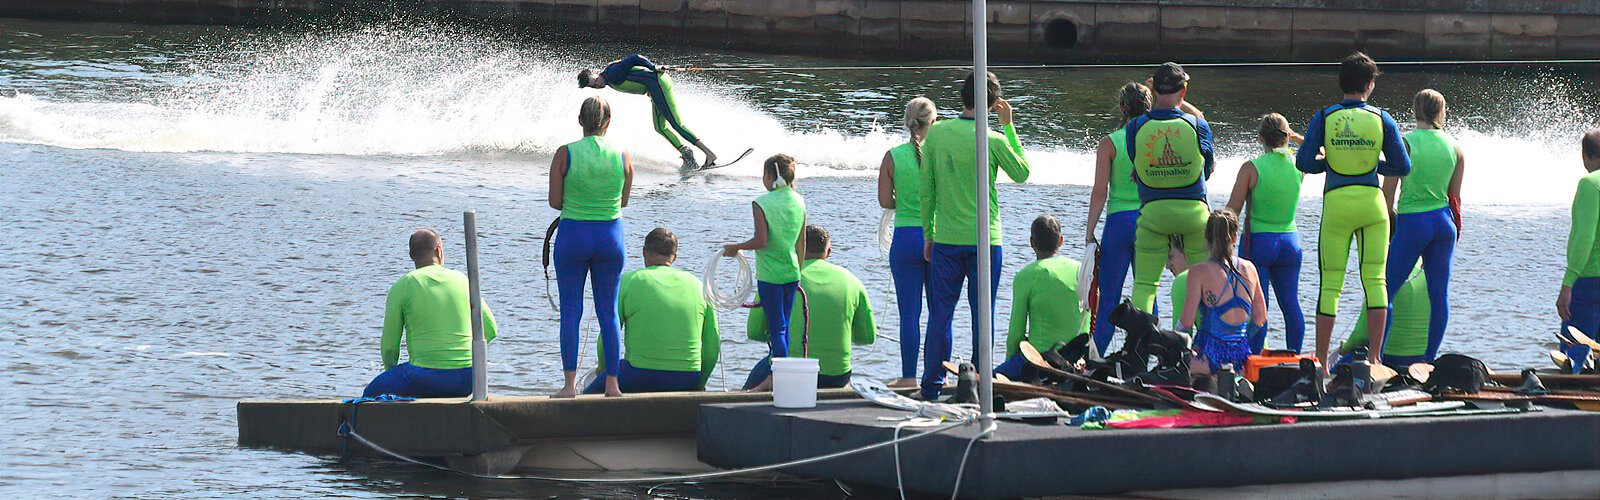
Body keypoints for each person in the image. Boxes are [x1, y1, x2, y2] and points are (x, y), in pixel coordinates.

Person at [918, 71, 1031, 400]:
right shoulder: (993, 138)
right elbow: (1022, 173)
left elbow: (928, 190)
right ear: (995, 104)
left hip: (947, 238)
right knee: (984, 314)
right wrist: (1009, 125)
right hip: (986, 239)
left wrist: (929, 233)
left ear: (962, 97)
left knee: (941, 314)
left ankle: (932, 385)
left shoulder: (936, 134)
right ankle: (982, 385)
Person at [1296, 52, 1411, 369]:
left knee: (1330, 284)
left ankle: (1320, 361)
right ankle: (1375, 360)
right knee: (1376, 281)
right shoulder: (1382, 118)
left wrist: (1330, 162)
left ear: (1341, 83)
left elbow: (1303, 162)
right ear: (1370, 85)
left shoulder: (1324, 116)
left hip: (1337, 203)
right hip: (1372, 204)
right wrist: (1373, 163)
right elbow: (1403, 166)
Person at [550, 97, 634, 398]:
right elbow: (623, 201)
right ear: (608, 122)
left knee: (571, 312)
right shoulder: (623, 154)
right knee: (609, 313)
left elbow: (555, 202)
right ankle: (612, 385)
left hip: (573, 235)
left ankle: (570, 386)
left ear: (580, 121)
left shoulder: (565, 153)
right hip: (610, 237)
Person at [364, 229, 497, 398]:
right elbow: (491, 329)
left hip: (423, 377)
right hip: (468, 378)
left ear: (411, 255)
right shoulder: (462, 280)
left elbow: (390, 348)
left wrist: (392, 374)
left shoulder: (403, 285)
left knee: (369, 395)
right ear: (439, 250)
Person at [1125, 62, 1213, 318]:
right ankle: (1199, 344)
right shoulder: (1197, 125)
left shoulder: (1134, 127)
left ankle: (1139, 347)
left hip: (1153, 214)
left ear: (1154, 91)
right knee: (1201, 282)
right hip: (1194, 214)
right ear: (1183, 91)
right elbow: (1207, 169)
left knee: (1144, 285)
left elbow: (1137, 165)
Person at [583, 228, 719, 394]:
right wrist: (699, 382)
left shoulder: (628, 281)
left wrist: (604, 372)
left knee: (584, 399)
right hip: (688, 377)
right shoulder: (699, 286)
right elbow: (712, 348)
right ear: (674, 257)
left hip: (639, 375)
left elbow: (607, 337)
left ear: (644, 252)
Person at [1383, 89, 1465, 362]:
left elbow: (1387, 195)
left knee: (1386, 291)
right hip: (1444, 225)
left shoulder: (1404, 144)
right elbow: (1455, 198)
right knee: (1438, 294)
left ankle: (1377, 357)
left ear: (1415, 110)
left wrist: (1386, 231)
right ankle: (1428, 360)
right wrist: (1456, 232)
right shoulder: (1456, 148)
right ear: (1442, 112)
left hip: (1413, 223)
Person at [745, 226, 876, 389]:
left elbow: (754, 332)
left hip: (789, 372)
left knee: (747, 390)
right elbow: (867, 337)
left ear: (795, 248)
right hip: (836, 377)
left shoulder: (777, 279)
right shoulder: (852, 281)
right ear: (828, 252)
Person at [724, 154, 807, 392]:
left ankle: (777, 375)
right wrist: (799, 269)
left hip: (770, 275)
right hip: (792, 272)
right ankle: (782, 371)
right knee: (785, 325)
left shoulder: (761, 202)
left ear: (771, 177)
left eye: (764, 175)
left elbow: (762, 240)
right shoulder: (799, 200)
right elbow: (801, 241)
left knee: (776, 327)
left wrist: (736, 247)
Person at [1225, 113, 1307, 353]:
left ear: (1260, 137)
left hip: (1259, 243)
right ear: (1287, 137)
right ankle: (1297, 360)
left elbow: (1233, 210)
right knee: (1291, 304)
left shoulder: (1251, 168)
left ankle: (1252, 364)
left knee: (1260, 306)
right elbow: (1323, 152)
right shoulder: (1299, 165)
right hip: (1291, 243)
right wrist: (1297, 139)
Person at [1086, 82, 1151, 355]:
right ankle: (1146, 358)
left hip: (1118, 225)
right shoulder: (1155, 139)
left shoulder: (1110, 142)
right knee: (1147, 296)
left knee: (1108, 299)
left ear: (1122, 108)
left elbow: (1100, 192)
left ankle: (1095, 361)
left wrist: (1089, 233)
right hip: (1150, 222)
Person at [878, 97, 938, 388]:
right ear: (934, 122)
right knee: (939, 313)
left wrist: (904, 200)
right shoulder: (939, 154)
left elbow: (884, 200)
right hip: (937, 238)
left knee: (909, 315)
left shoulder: (892, 155)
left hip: (904, 239)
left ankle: (908, 377)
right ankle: (935, 375)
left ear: (907, 122)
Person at [578, 54, 717, 170]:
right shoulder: (609, 78)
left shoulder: (613, 74)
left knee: (676, 124)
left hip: (658, 84)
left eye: (595, 80)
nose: (598, 85)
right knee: (660, 127)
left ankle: (709, 154)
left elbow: (635, 58)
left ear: (595, 72)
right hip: (654, 90)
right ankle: (687, 154)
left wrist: (653, 66)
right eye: (594, 86)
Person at [995, 215, 1089, 380]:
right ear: (1061, 241)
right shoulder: (1081, 271)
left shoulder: (1025, 276)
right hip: (1076, 359)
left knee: (988, 377)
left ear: (1032, 243)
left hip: (1038, 360)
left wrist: (1008, 366)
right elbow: (1090, 322)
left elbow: (1016, 334)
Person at [1179, 210, 1267, 376]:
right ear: (1234, 237)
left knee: (1172, 365)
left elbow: (1186, 322)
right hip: (1241, 360)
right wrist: (1241, 340)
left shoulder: (1199, 271)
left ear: (1207, 237)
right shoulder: (1250, 268)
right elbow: (1260, 317)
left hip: (1207, 358)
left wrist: (1177, 350)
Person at [1338, 265, 1430, 370]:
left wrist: (1344, 348)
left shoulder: (1380, 279)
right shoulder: (1428, 274)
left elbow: (1360, 337)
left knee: (1338, 368)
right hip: (1421, 360)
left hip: (1388, 358)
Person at [1560, 130, 1600, 346]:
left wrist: (1568, 284)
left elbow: (1585, 237)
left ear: (1586, 156)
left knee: (1574, 357)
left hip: (1590, 280)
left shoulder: (1590, 183)